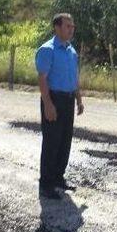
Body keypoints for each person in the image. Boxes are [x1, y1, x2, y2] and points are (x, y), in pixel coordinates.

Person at [35, 13, 84, 200]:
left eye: (73, 27)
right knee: (51, 142)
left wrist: (79, 99)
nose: (71, 30)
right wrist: (48, 104)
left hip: (68, 99)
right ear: (57, 27)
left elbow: (74, 77)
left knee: (65, 140)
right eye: (67, 26)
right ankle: (46, 184)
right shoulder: (47, 50)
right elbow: (42, 79)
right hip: (54, 98)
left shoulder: (71, 50)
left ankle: (58, 178)